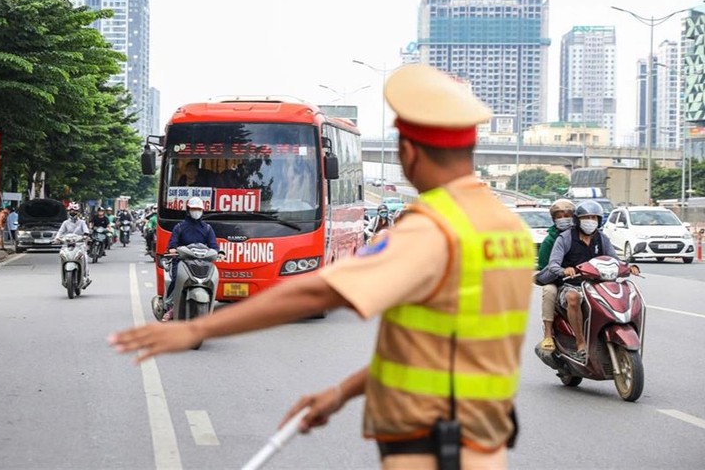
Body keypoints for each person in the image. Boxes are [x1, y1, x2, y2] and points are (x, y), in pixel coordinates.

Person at [109, 64, 536, 469]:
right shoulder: (508, 230)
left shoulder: (434, 228)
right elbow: (433, 350)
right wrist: (337, 394)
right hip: (482, 441)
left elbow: (319, 291)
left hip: (429, 444)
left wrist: (199, 328)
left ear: (408, 151)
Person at [536, 200, 639, 362]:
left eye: (594, 218)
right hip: (571, 284)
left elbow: (614, 259)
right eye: (586, 217)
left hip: (597, 284)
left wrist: (628, 267)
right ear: (578, 220)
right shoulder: (564, 238)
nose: (590, 221)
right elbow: (552, 264)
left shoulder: (602, 238)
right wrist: (564, 270)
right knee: (572, 297)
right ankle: (580, 343)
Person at [161, 196, 218, 322]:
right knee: (176, 279)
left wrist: (219, 253)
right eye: (194, 209)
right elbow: (172, 244)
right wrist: (173, 250)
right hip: (182, 261)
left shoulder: (207, 228)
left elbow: (214, 246)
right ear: (188, 210)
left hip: (202, 262)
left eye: (199, 209)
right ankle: (170, 305)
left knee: (211, 280)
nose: (196, 211)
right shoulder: (180, 227)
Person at [535, 199, 575, 352]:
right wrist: (561, 271)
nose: (564, 218)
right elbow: (545, 268)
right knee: (549, 291)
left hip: (580, 278)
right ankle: (548, 334)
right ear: (554, 219)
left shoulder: (580, 235)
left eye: (567, 215)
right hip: (557, 280)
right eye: (560, 215)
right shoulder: (550, 240)